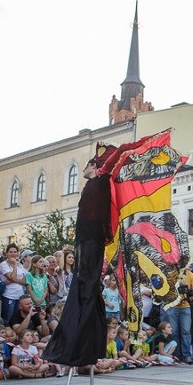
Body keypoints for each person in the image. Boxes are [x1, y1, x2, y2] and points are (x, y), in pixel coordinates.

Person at [43, 144, 116, 368]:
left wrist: (108, 152)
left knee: (86, 288)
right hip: (83, 241)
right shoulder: (91, 185)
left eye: (87, 164)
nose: (83, 169)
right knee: (84, 288)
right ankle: (81, 345)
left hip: (92, 241)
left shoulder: (101, 180)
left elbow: (115, 158)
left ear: (94, 166)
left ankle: (84, 343)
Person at [0, 243, 27, 321]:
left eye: (15, 252)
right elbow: (12, 277)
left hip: (20, 295)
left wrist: (11, 280)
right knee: (8, 318)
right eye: (11, 252)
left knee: (17, 319)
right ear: (7, 253)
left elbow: (24, 281)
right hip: (9, 295)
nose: (13, 254)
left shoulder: (20, 265)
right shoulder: (3, 264)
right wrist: (14, 265)